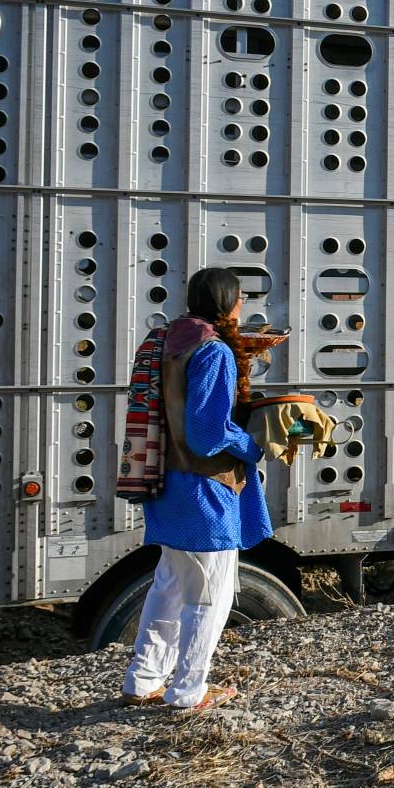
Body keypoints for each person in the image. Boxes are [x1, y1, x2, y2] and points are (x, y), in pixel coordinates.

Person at [121, 267, 271, 710]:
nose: (243, 306)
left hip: (164, 478)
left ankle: (143, 680)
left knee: (169, 584)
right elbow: (207, 434)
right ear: (228, 302)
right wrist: (252, 444)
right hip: (203, 487)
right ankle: (188, 691)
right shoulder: (213, 351)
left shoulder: (165, 339)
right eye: (241, 298)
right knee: (211, 592)